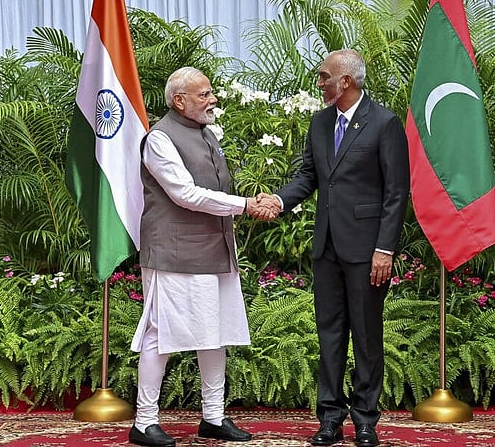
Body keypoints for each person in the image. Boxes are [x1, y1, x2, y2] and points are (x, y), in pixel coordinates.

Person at [260, 49, 410, 447]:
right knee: (329, 335)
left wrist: (385, 249)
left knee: (366, 336)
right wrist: (279, 200)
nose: (320, 82)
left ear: (346, 81)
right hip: (327, 247)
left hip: (366, 251)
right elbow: (308, 175)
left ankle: (365, 420)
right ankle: (330, 418)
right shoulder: (320, 122)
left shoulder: (384, 123)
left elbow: (396, 193)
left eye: (325, 76)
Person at [128, 67, 276, 447]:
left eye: (211, 93)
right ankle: (144, 422)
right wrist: (246, 205)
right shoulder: (159, 139)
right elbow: (186, 195)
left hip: (215, 249)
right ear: (180, 100)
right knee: (160, 334)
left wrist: (246, 205)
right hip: (174, 254)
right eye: (204, 94)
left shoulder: (206, 133)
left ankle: (213, 417)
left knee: (216, 333)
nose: (212, 100)